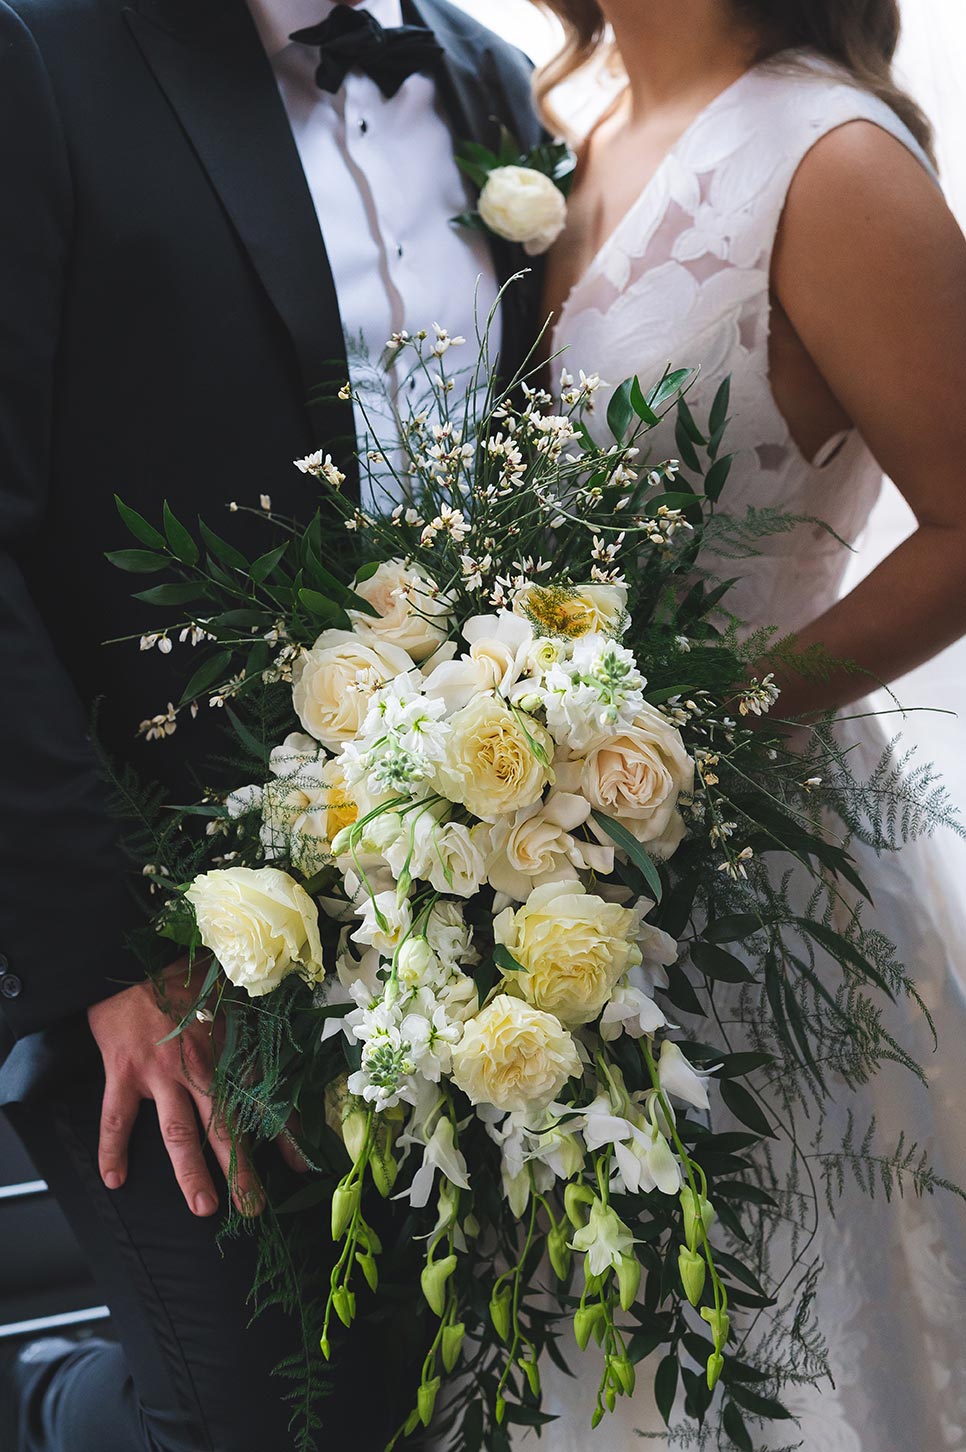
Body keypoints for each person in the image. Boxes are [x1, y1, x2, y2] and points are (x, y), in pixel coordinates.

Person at [0, 0, 542, 1447]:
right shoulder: (43, 49)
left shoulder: (491, 79)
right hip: (151, 900)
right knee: (255, 1414)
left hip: (450, 902)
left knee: (421, 1395)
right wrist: (110, 952)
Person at [519, 0, 966, 1448]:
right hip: (549, 883)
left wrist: (698, 730)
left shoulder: (827, 159)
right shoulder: (576, 129)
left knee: (773, 1345)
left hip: (762, 882)